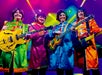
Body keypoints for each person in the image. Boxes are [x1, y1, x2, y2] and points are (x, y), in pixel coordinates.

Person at [73, 8, 102, 75]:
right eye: (79, 12)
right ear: (77, 14)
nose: (80, 13)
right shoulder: (75, 24)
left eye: (82, 11)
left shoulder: (89, 20)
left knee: (94, 66)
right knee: (84, 68)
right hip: (80, 47)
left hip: (89, 46)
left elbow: (96, 30)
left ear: (84, 13)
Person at [46, 10, 74, 75]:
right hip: (57, 49)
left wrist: (73, 31)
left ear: (66, 16)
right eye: (60, 15)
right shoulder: (55, 26)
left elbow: (72, 36)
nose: (62, 16)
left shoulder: (69, 25)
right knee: (59, 69)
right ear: (58, 17)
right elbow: (49, 35)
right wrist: (53, 32)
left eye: (63, 15)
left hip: (67, 47)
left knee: (68, 67)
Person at [1, 8, 28, 75]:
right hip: (7, 49)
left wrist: (27, 37)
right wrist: (2, 29)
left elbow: (26, 38)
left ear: (22, 15)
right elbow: (1, 35)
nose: (18, 13)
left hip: (19, 49)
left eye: (20, 12)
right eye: (16, 12)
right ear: (13, 14)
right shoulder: (7, 23)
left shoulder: (25, 26)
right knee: (7, 72)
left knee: (18, 72)